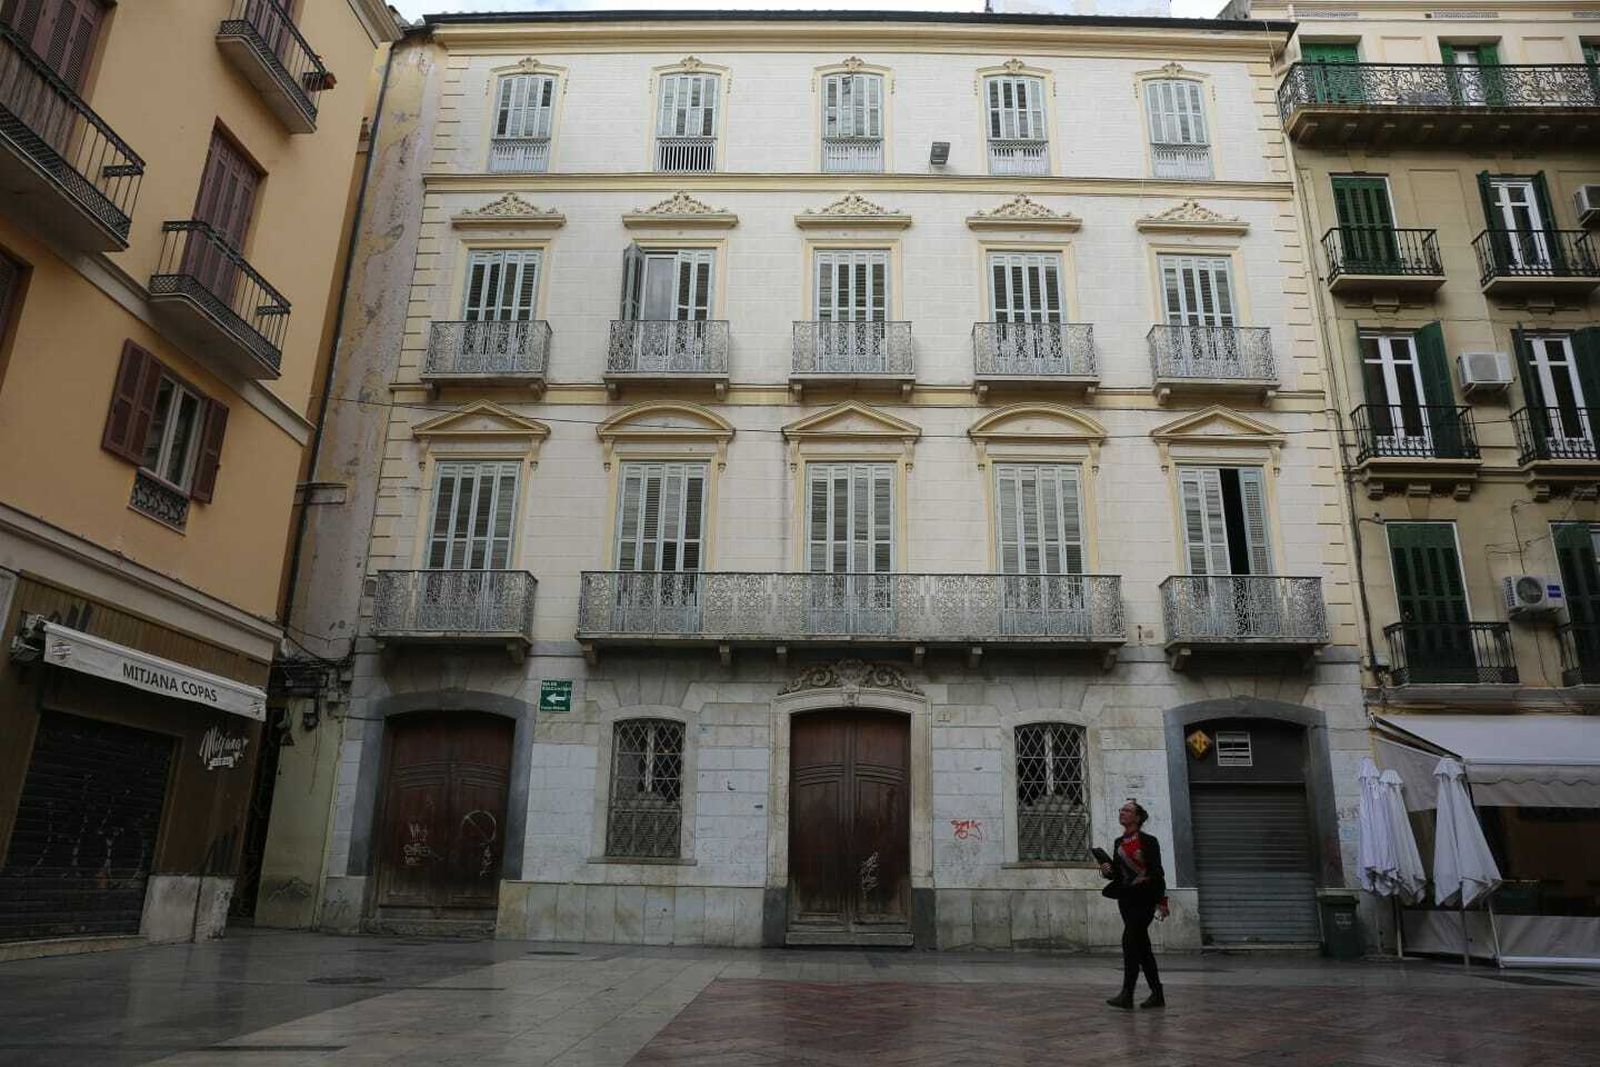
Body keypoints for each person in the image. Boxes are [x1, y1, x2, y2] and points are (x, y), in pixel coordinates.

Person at [1098, 799, 1168, 1010]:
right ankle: (1157, 994)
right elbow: (1118, 876)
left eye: (1127, 810)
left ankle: (1127, 994)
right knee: (1142, 947)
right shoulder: (1119, 842)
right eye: (1121, 809)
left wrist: (1162, 901)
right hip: (1126, 899)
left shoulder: (1149, 841)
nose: (1122, 812)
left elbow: (1157, 872)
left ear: (1137, 817)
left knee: (1129, 942)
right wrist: (1107, 870)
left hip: (1145, 898)